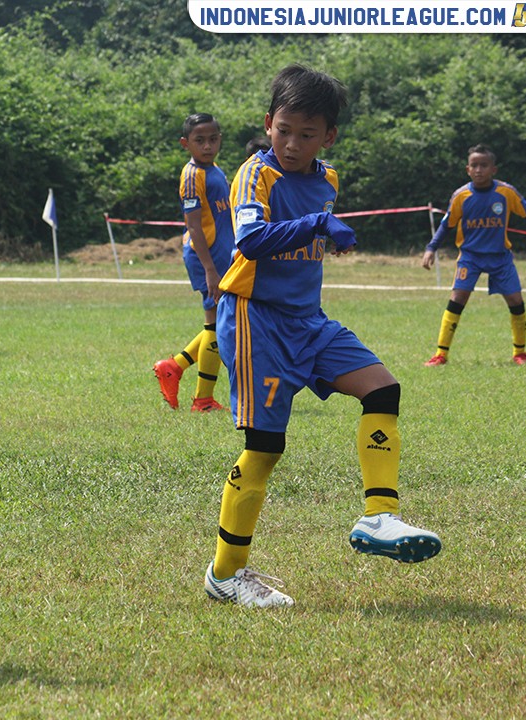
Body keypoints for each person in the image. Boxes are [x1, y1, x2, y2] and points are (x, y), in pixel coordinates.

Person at [205, 64, 441, 608]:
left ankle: (379, 516)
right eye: (283, 129)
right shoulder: (254, 174)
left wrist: (323, 229)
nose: (292, 143)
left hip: (309, 321)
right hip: (255, 320)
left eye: (306, 134)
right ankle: (226, 575)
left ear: (328, 137)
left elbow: (307, 234)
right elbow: (252, 240)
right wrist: (318, 226)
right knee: (264, 450)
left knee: (382, 389)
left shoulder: (327, 179)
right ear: (268, 124)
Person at [421, 143, 526, 366]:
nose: (478, 170)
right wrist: (431, 248)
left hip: (500, 257)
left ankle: (520, 353)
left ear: (494, 169)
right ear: (467, 169)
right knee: (457, 299)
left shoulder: (505, 192)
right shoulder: (461, 196)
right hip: (470, 257)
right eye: (474, 165)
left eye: (484, 165)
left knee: (515, 300)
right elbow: (446, 225)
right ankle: (440, 354)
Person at [152, 113, 234, 413]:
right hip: (207, 257)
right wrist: (210, 269)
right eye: (200, 141)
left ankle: (174, 366)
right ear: (186, 144)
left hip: (223, 256)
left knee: (221, 322)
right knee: (216, 325)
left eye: (213, 139)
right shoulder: (191, 175)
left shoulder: (214, 169)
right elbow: (194, 226)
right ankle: (202, 399)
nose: (208, 146)